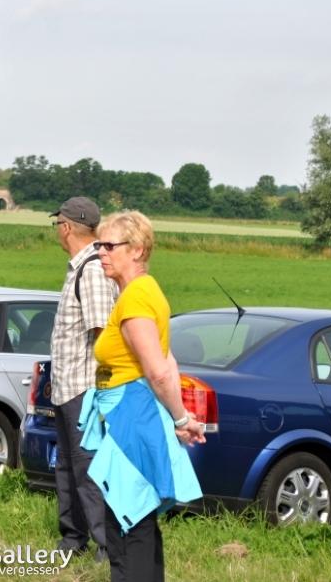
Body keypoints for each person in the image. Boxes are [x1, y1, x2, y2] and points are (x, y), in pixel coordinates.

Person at [79, 210, 206, 582]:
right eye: (98, 245)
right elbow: (168, 359)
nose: (100, 252)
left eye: (109, 246)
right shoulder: (141, 292)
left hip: (131, 418)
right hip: (132, 414)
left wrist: (181, 418)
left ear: (136, 250)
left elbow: (159, 370)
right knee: (135, 516)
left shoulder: (135, 298)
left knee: (127, 520)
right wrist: (180, 418)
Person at [48, 196, 117, 561]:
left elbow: (104, 335)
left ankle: (107, 545)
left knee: (88, 468)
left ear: (67, 227)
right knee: (67, 466)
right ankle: (73, 538)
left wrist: (100, 392)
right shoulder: (81, 267)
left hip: (84, 390)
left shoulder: (91, 271)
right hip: (67, 387)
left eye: (57, 224)